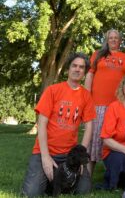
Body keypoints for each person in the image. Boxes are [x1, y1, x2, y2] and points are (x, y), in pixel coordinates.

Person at [21, 53, 96, 197]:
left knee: (83, 190)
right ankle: (49, 180)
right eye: (74, 65)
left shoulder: (86, 96)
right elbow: (41, 124)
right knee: (32, 193)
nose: (77, 69)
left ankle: (56, 180)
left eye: (81, 67)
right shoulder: (53, 90)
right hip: (45, 150)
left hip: (70, 154)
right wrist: (45, 157)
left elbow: (89, 127)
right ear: (68, 69)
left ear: (85, 72)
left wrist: (81, 157)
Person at [84, 29, 125, 176]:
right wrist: (86, 98)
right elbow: (89, 76)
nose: (113, 40)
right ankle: (87, 174)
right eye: (110, 37)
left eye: (116, 37)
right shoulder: (98, 55)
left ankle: (113, 172)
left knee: (114, 138)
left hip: (118, 105)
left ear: (120, 40)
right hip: (98, 104)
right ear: (107, 39)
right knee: (94, 138)